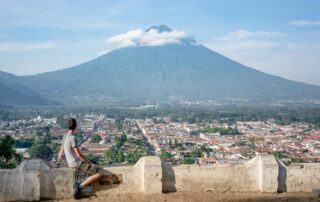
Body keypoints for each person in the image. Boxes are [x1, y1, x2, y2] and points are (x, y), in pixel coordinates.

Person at [57, 118, 103, 199]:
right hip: (76, 163)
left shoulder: (65, 136)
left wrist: (58, 162)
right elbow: (79, 155)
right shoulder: (72, 138)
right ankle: (79, 186)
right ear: (76, 126)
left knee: (93, 164)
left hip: (70, 163)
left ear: (68, 126)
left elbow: (61, 151)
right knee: (99, 173)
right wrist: (90, 163)